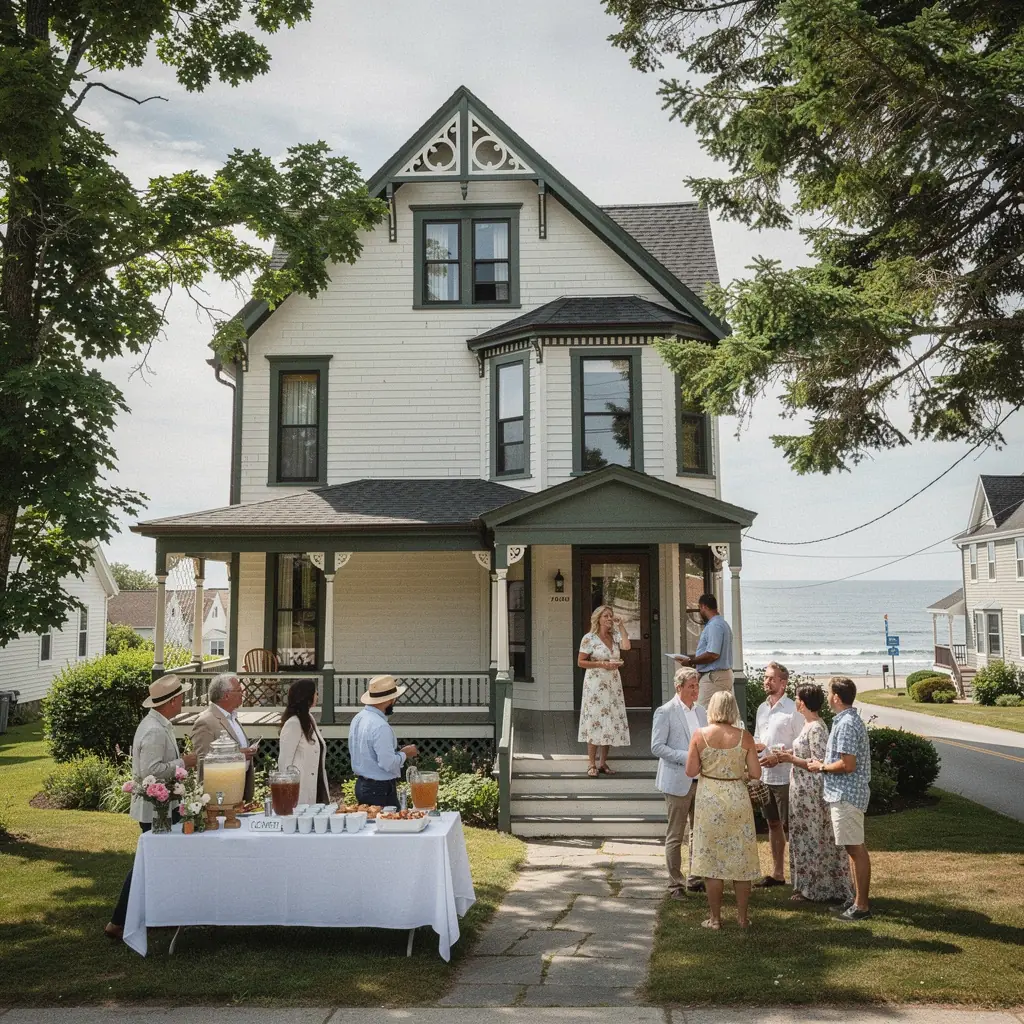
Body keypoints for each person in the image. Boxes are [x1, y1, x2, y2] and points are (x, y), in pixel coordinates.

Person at [105, 675, 198, 941]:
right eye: (180, 697)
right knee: (148, 863)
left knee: (159, 862)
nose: (183, 700)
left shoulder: (159, 724)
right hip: (156, 809)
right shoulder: (155, 730)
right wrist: (184, 762)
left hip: (164, 805)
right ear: (172, 701)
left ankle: (156, 915)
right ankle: (119, 921)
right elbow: (151, 772)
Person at [685, 690, 762, 930]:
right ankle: (742, 918)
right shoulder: (744, 737)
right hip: (737, 797)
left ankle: (715, 918)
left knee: (712, 861)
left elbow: (690, 770)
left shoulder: (700, 735)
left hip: (709, 799)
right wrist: (739, 772)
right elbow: (757, 774)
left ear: (712, 709)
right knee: (741, 861)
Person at [775, 684, 854, 903]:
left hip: (811, 791)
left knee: (812, 838)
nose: (796, 701)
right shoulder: (807, 725)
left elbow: (819, 762)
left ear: (804, 701)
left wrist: (791, 759)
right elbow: (806, 753)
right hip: (800, 789)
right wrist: (790, 753)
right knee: (802, 837)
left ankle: (815, 888)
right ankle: (804, 885)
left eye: (798, 698)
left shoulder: (817, 728)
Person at [807, 676, 873, 921]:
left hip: (847, 794)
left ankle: (861, 906)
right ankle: (855, 899)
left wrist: (821, 767)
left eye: (828, 692)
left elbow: (848, 764)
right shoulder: (847, 720)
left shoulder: (845, 724)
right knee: (852, 847)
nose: (826, 696)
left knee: (855, 849)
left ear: (836, 696)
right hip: (846, 794)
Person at [651, 666, 708, 899]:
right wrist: (687, 757)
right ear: (679, 688)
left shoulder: (702, 712)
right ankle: (675, 884)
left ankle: (695, 878)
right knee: (676, 834)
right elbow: (656, 747)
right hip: (677, 780)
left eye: (697, 686)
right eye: (691, 686)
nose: (695, 690)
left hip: (701, 780)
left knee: (699, 831)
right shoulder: (665, 712)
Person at [753, 662, 804, 888]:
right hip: (765, 777)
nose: (767, 681)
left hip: (786, 777)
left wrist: (779, 756)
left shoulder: (794, 710)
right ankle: (778, 874)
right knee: (773, 824)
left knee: (791, 827)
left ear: (783, 683)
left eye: (772, 678)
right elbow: (757, 737)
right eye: (765, 677)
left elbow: (803, 746)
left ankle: (801, 876)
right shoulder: (762, 709)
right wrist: (756, 749)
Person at [348, 674, 419, 807]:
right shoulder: (380, 726)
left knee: (371, 826)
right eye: (394, 699)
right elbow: (388, 763)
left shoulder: (358, 718)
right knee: (392, 825)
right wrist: (405, 753)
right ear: (389, 700)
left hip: (363, 785)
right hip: (379, 788)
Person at [577, 604, 631, 777]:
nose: (609, 619)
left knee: (609, 720)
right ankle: (591, 763)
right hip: (595, 685)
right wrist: (601, 664)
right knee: (595, 720)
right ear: (598, 619)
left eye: (611, 616)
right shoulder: (589, 638)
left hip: (613, 684)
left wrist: (621, 625)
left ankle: (602, 763)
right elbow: (581, 662)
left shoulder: (615, 636)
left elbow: (627, 646)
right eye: (606, 616)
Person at [190, 673, 257, 803]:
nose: (242, 694)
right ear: (226, 695)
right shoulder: (206, 722)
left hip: (239, 790)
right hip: (220, 795)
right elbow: (203, 761)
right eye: (239, 691)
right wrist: (238, 755)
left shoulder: (232, 717)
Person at [674, 593, 733, 706]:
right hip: (720, 676)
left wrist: (691, 662)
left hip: (715, 677)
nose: (700, 612)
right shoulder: (722, 623)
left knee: (701, 711)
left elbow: (713, 654)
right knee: (720, 714)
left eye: (700, 608)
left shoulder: (714, 625)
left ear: (704, 606)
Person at [278, 678, 330, 806]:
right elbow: (284, 762)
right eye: (315, 693)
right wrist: (287, 795)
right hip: (300, 791)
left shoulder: (309, 718)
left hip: (317, 783)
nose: (317, 696)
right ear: (307, 696)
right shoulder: (293, 723)